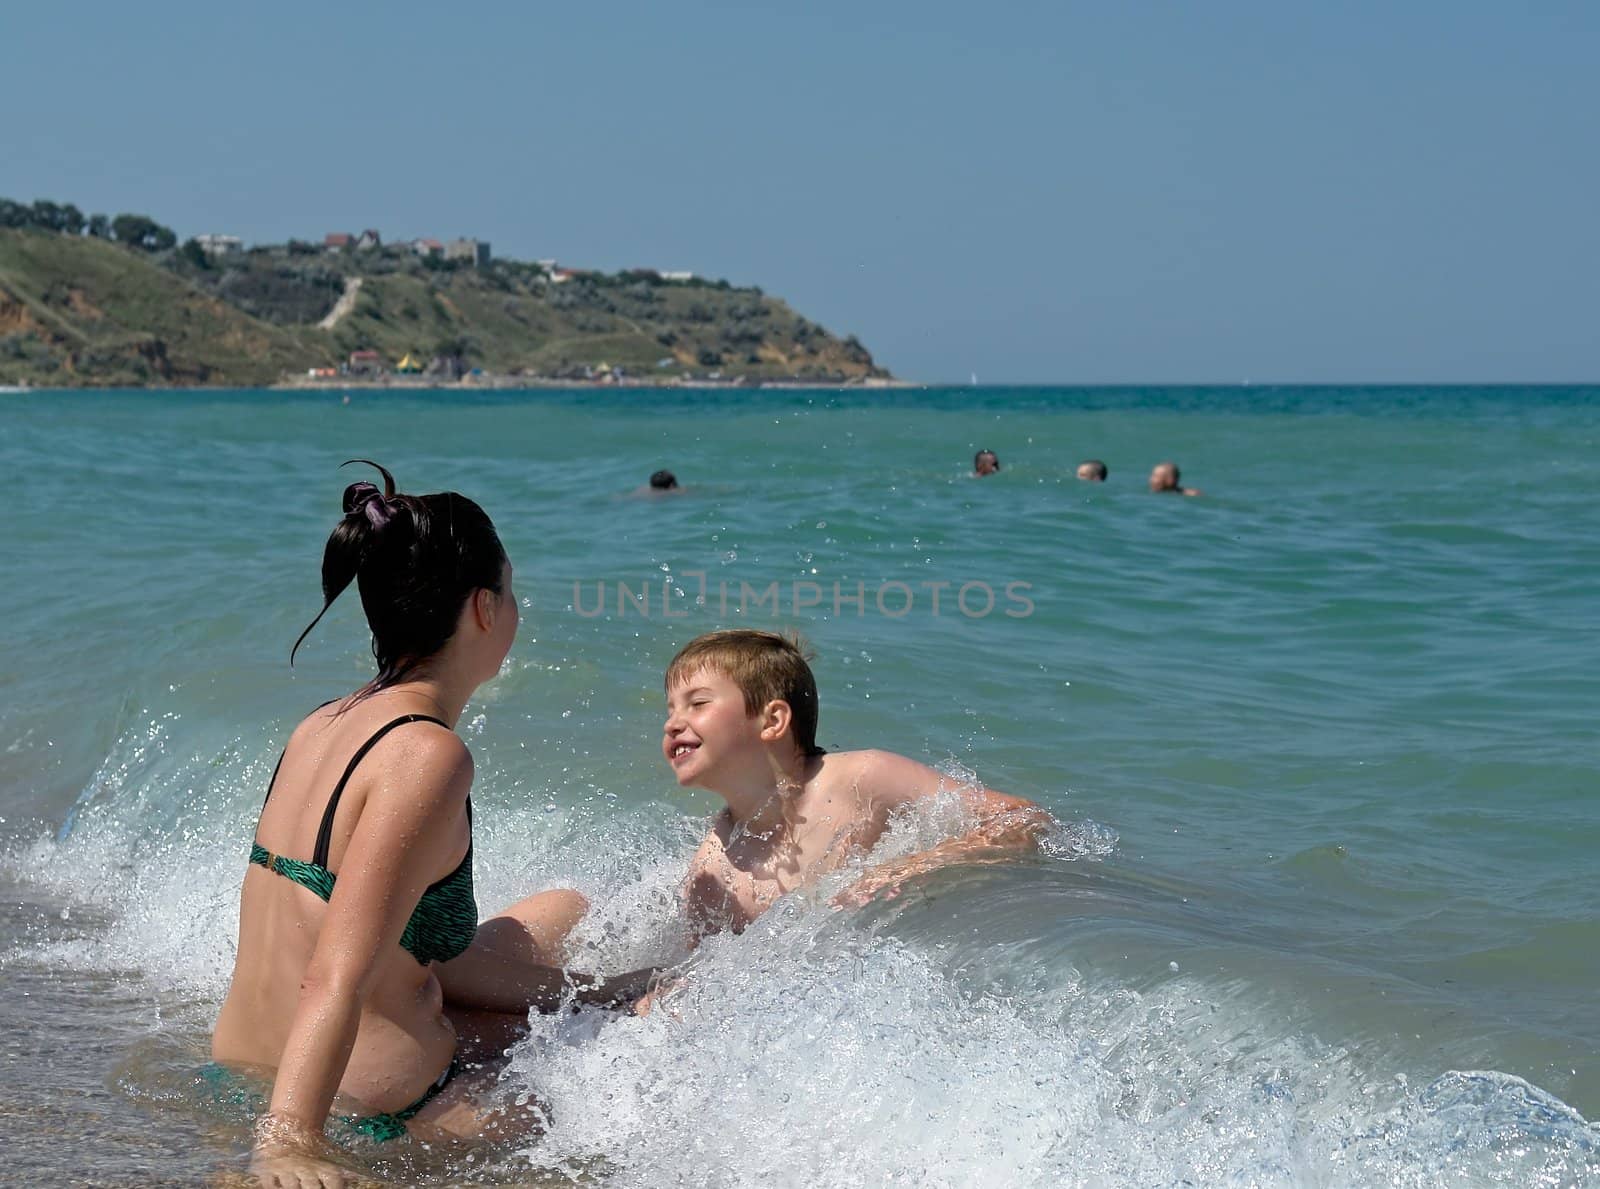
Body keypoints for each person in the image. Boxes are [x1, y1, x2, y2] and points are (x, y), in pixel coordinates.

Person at [212, 461, 651, 1184]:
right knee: (597, 1096)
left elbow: (400, 950)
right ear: (483, 607)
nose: (516, 609)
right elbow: (338, 972)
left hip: (243, 1065)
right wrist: (288, 1142)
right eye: (512, 590)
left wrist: (601, 988)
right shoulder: (427, 754)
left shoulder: (323, 723)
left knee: (567, 923)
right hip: (363, 1108)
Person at [660, 630, 1050, 940]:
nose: (672, 723)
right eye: (670, 708)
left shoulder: (862, 779)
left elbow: (1023, 818)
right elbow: (703, 978)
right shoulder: (712, 869)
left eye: (697, 704)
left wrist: (908, 870)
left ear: (772, 721)